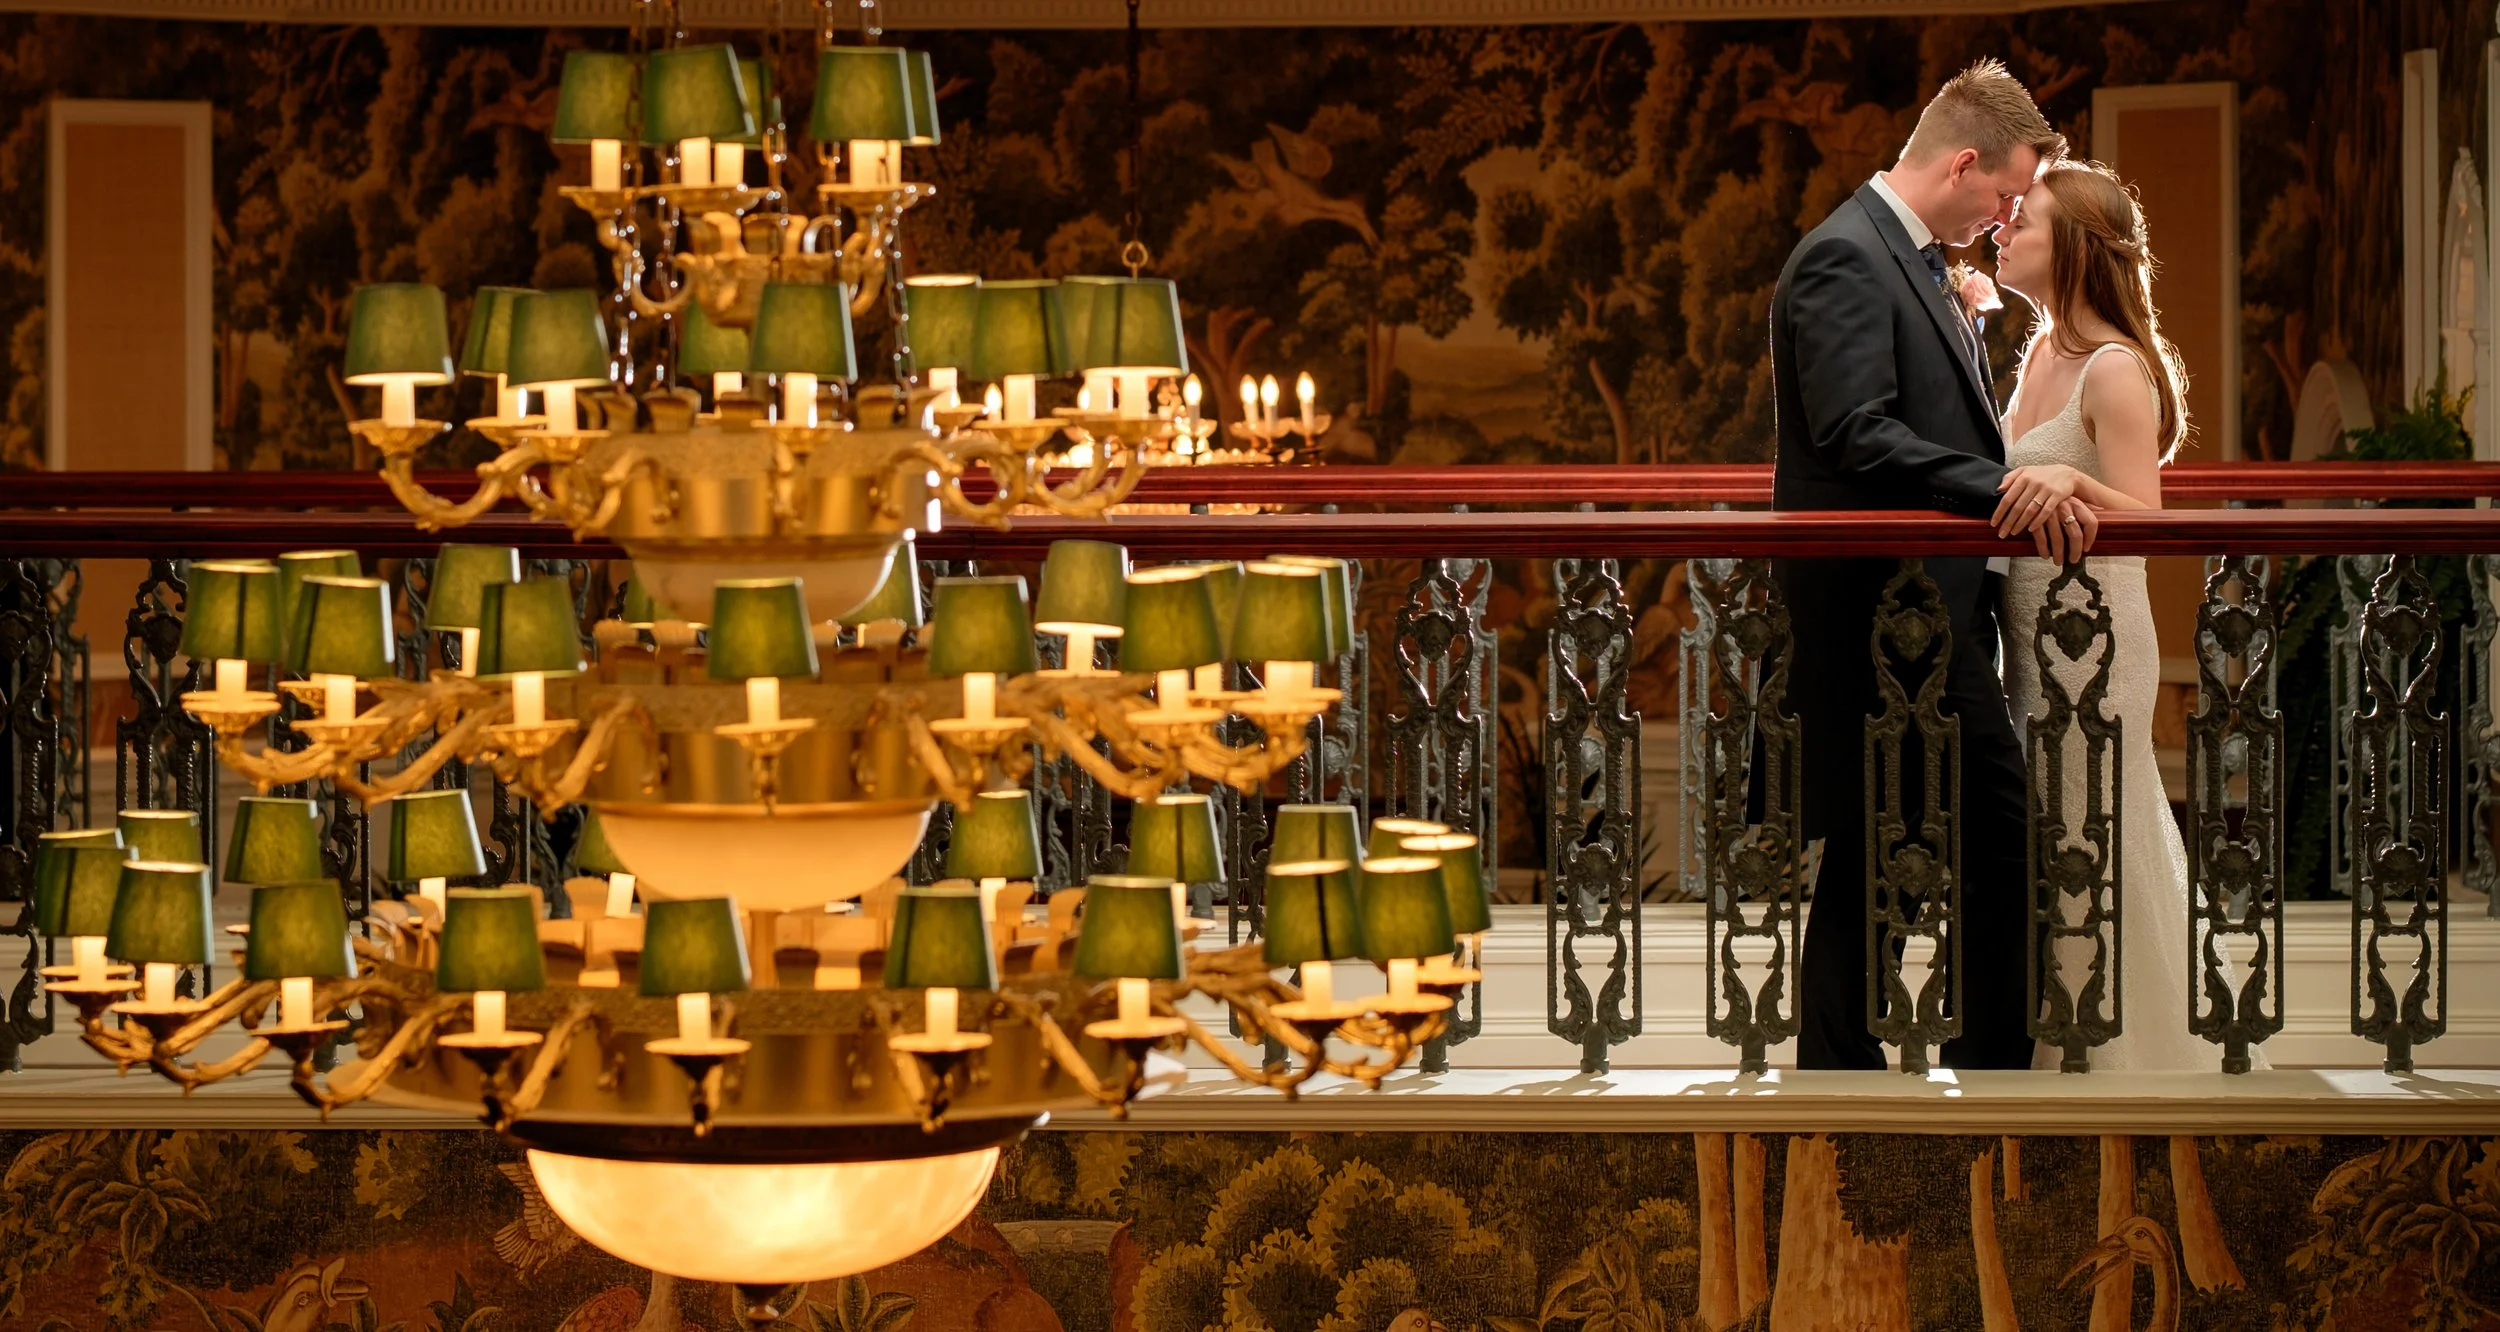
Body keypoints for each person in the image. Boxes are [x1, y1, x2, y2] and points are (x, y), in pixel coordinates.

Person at [1769, 58, 2083, 1071]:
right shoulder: (1846, 256)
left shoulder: (1904, 257)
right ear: (1962, 164)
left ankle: (1849, 1082)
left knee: (1887, 854)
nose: (2002, 219)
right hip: (1884, 618)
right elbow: (1853, 432)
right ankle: (1980, 1083)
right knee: (1993, 845)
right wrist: (2002, 488)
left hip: (1928, 616)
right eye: (2003, 195)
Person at [1988, 161, 2236, 1070]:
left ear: (2076, 247)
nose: (2005, 228)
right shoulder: (2036, 355)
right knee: (2048, 846)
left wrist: (2076, 480)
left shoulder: (2116, 369)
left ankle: (2122, 1066)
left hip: (2094, 645)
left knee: (2091, 837)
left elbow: (2151, 527)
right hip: (2027, 646)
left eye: (2025, 218)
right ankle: (2054, 1046)